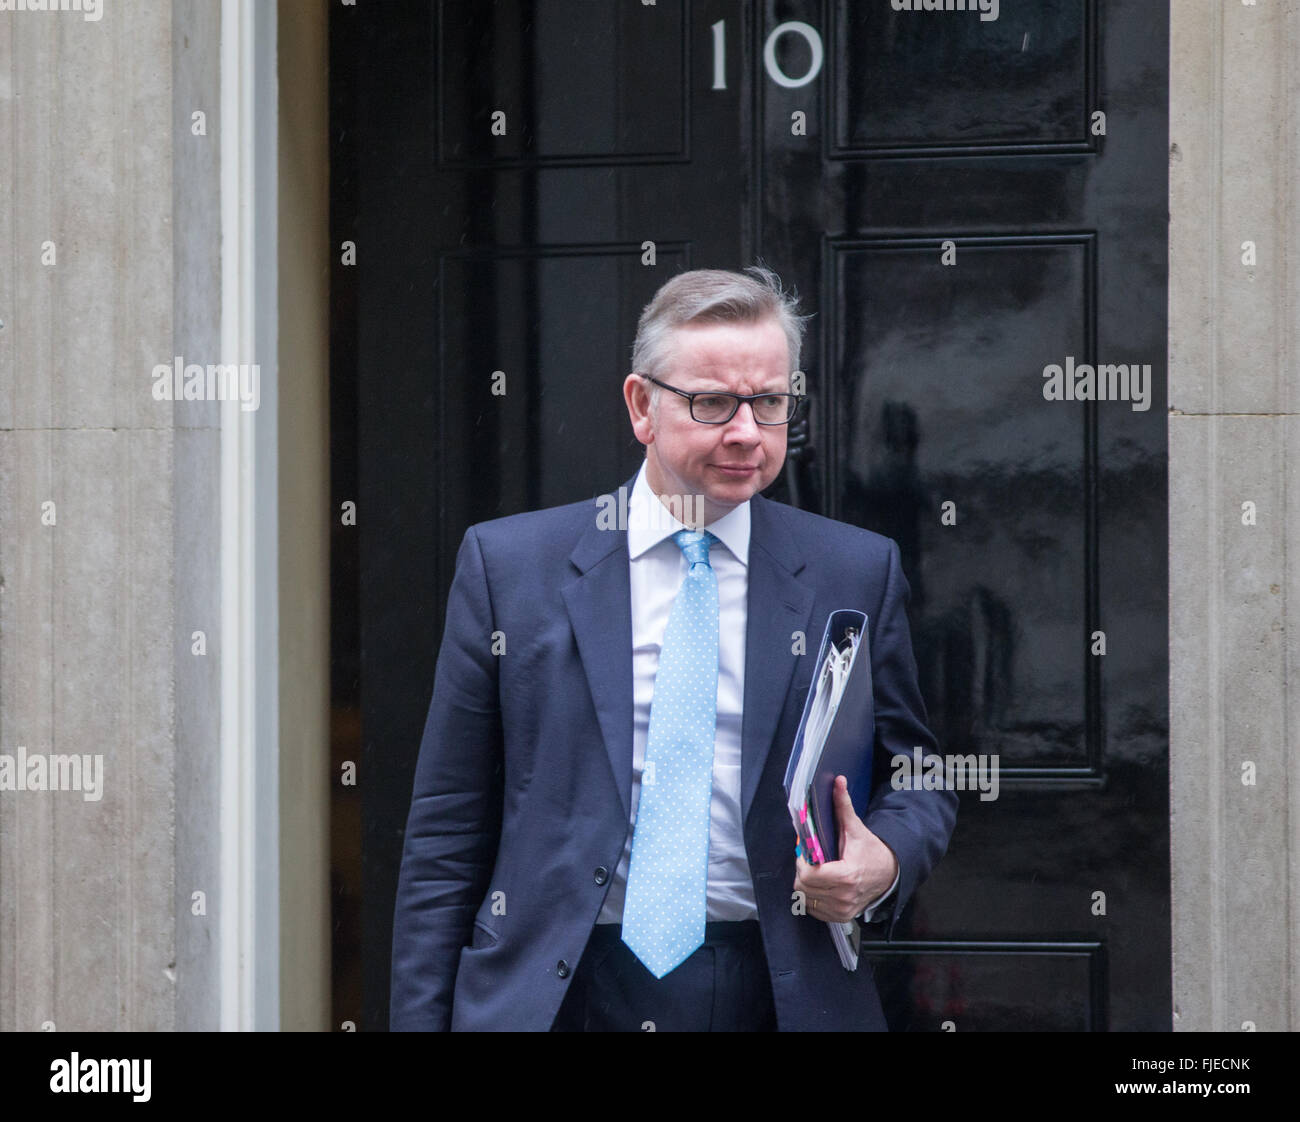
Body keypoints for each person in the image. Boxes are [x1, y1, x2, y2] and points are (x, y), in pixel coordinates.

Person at [390, 266, 957, 1031]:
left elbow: (918, 773)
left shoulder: (853, 569)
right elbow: (448, 826)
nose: (746, 433)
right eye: (713, 402)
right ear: (641, 406)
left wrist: (882, 862)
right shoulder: (510, 569)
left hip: (778, 988)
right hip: (563, 991)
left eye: (770, 402)